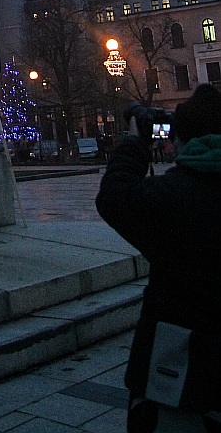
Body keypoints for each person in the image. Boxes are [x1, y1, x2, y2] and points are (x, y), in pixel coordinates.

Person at [95, 84, 221, 432]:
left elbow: (115, 195)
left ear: (183, 140)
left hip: (179, 368)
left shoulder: (172, 197)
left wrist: (135, 145)